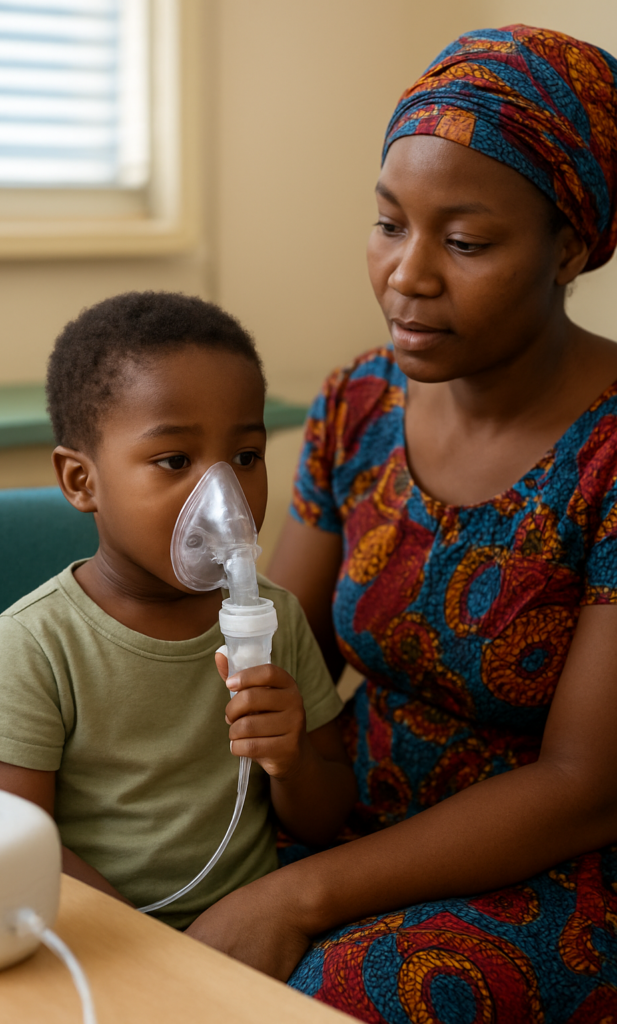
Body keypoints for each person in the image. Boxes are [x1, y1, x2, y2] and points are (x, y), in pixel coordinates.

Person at [183, 25, 617, 1022]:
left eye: (464, 243)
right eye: (388, 223)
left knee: (320, 997)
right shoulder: (359, 405)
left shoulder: (603, 455)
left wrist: (297, 895)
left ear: (567, 247)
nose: (405, 275)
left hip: (549, 867)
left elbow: (583, 784)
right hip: (345, 811)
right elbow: (286, 647)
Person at [0, 291, 355, 929]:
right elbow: (15, 847)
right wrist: (160, 956)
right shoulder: (37, 644)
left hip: (254, 931)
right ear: (82, 481)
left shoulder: (274, 617)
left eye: (245, 458)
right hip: (97, 938)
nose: (223, 497)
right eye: (175, 461)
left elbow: (326, 819)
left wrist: (292, 759)